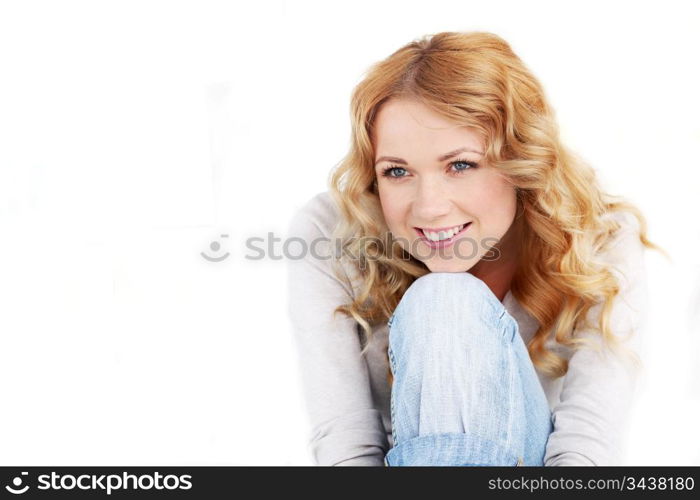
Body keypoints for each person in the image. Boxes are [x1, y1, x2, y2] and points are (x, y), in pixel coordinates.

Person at [285, 31, 666, 466]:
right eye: (397, 171)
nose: (429, 207)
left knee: (447, 301)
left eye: (460, 165)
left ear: (521, 162)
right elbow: (347, 442)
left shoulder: (599, 232)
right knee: (444, 300)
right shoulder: (329, 229)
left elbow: (587, 445)